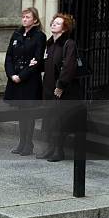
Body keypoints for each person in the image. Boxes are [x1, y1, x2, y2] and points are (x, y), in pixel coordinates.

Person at [38, 13, 81, 162]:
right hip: (48, 87)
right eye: (53, 22)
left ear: (64, 28)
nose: (53, 25)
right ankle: (50, 148)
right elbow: (47, 64)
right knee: (49, 119)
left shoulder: (69, 44)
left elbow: (69, 67)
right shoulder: (50, 44)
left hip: (61, 90)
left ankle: (58, 150)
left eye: (58, 23)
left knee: (59, 120)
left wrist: (61, 85)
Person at [4, 7, 46, 156]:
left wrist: (21, 76)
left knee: (29, 113)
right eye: (23, 17)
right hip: (15, 79)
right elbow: (9, 56)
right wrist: (11, 74)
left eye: (28, 17)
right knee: (21, 113)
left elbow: (37, 61)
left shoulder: (40, 36)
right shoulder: (16, 34)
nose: (25, 19)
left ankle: (28, 144)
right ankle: (21, 143)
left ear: (35, 20)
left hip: (29, 80)